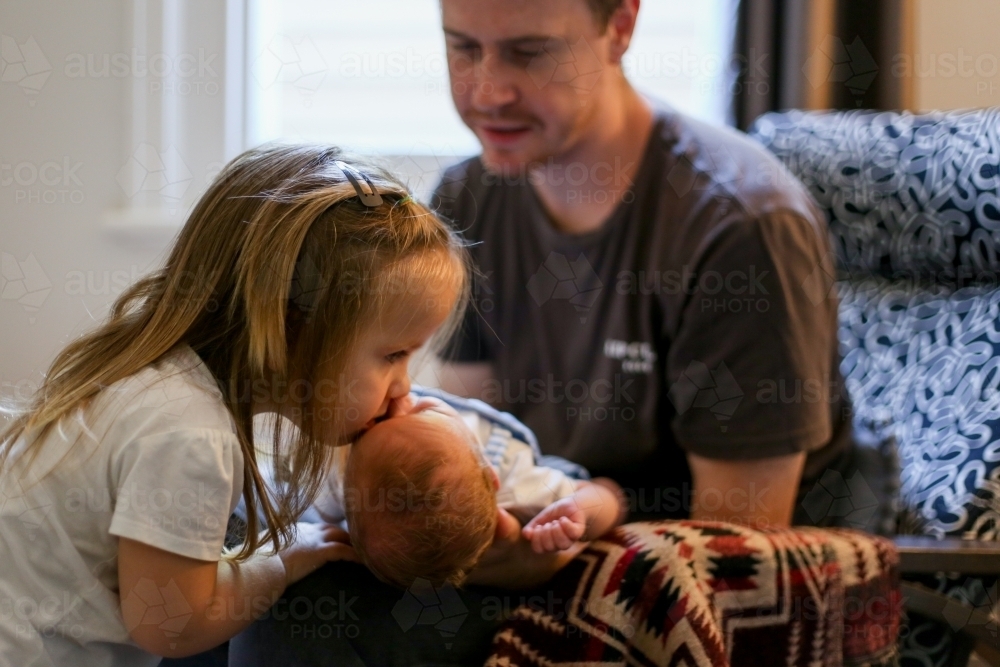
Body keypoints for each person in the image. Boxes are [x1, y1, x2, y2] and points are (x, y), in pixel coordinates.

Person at [0, 145, 468, 666]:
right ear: (293, 331)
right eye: (394, 355)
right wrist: (289, 558)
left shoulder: (152, 379)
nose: (404, 387)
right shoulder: (191, 435)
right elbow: (171, 625)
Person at [433, 0, 857, 564]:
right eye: (464, 47)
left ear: (621, 27)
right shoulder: (467, 202)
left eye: (530, 53)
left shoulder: (739, 230)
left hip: (693, 588)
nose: (487, 92)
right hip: (549, 554)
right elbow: (477, 451)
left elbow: (727, 558)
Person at [314, 391, 625, 589]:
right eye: (423, 411)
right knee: (608, 495)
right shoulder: (514, 480)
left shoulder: (347, 474)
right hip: (532, 474)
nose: (398, 402)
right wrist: (578, 509)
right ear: (489, 474)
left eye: (419, 409)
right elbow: (606, 505)